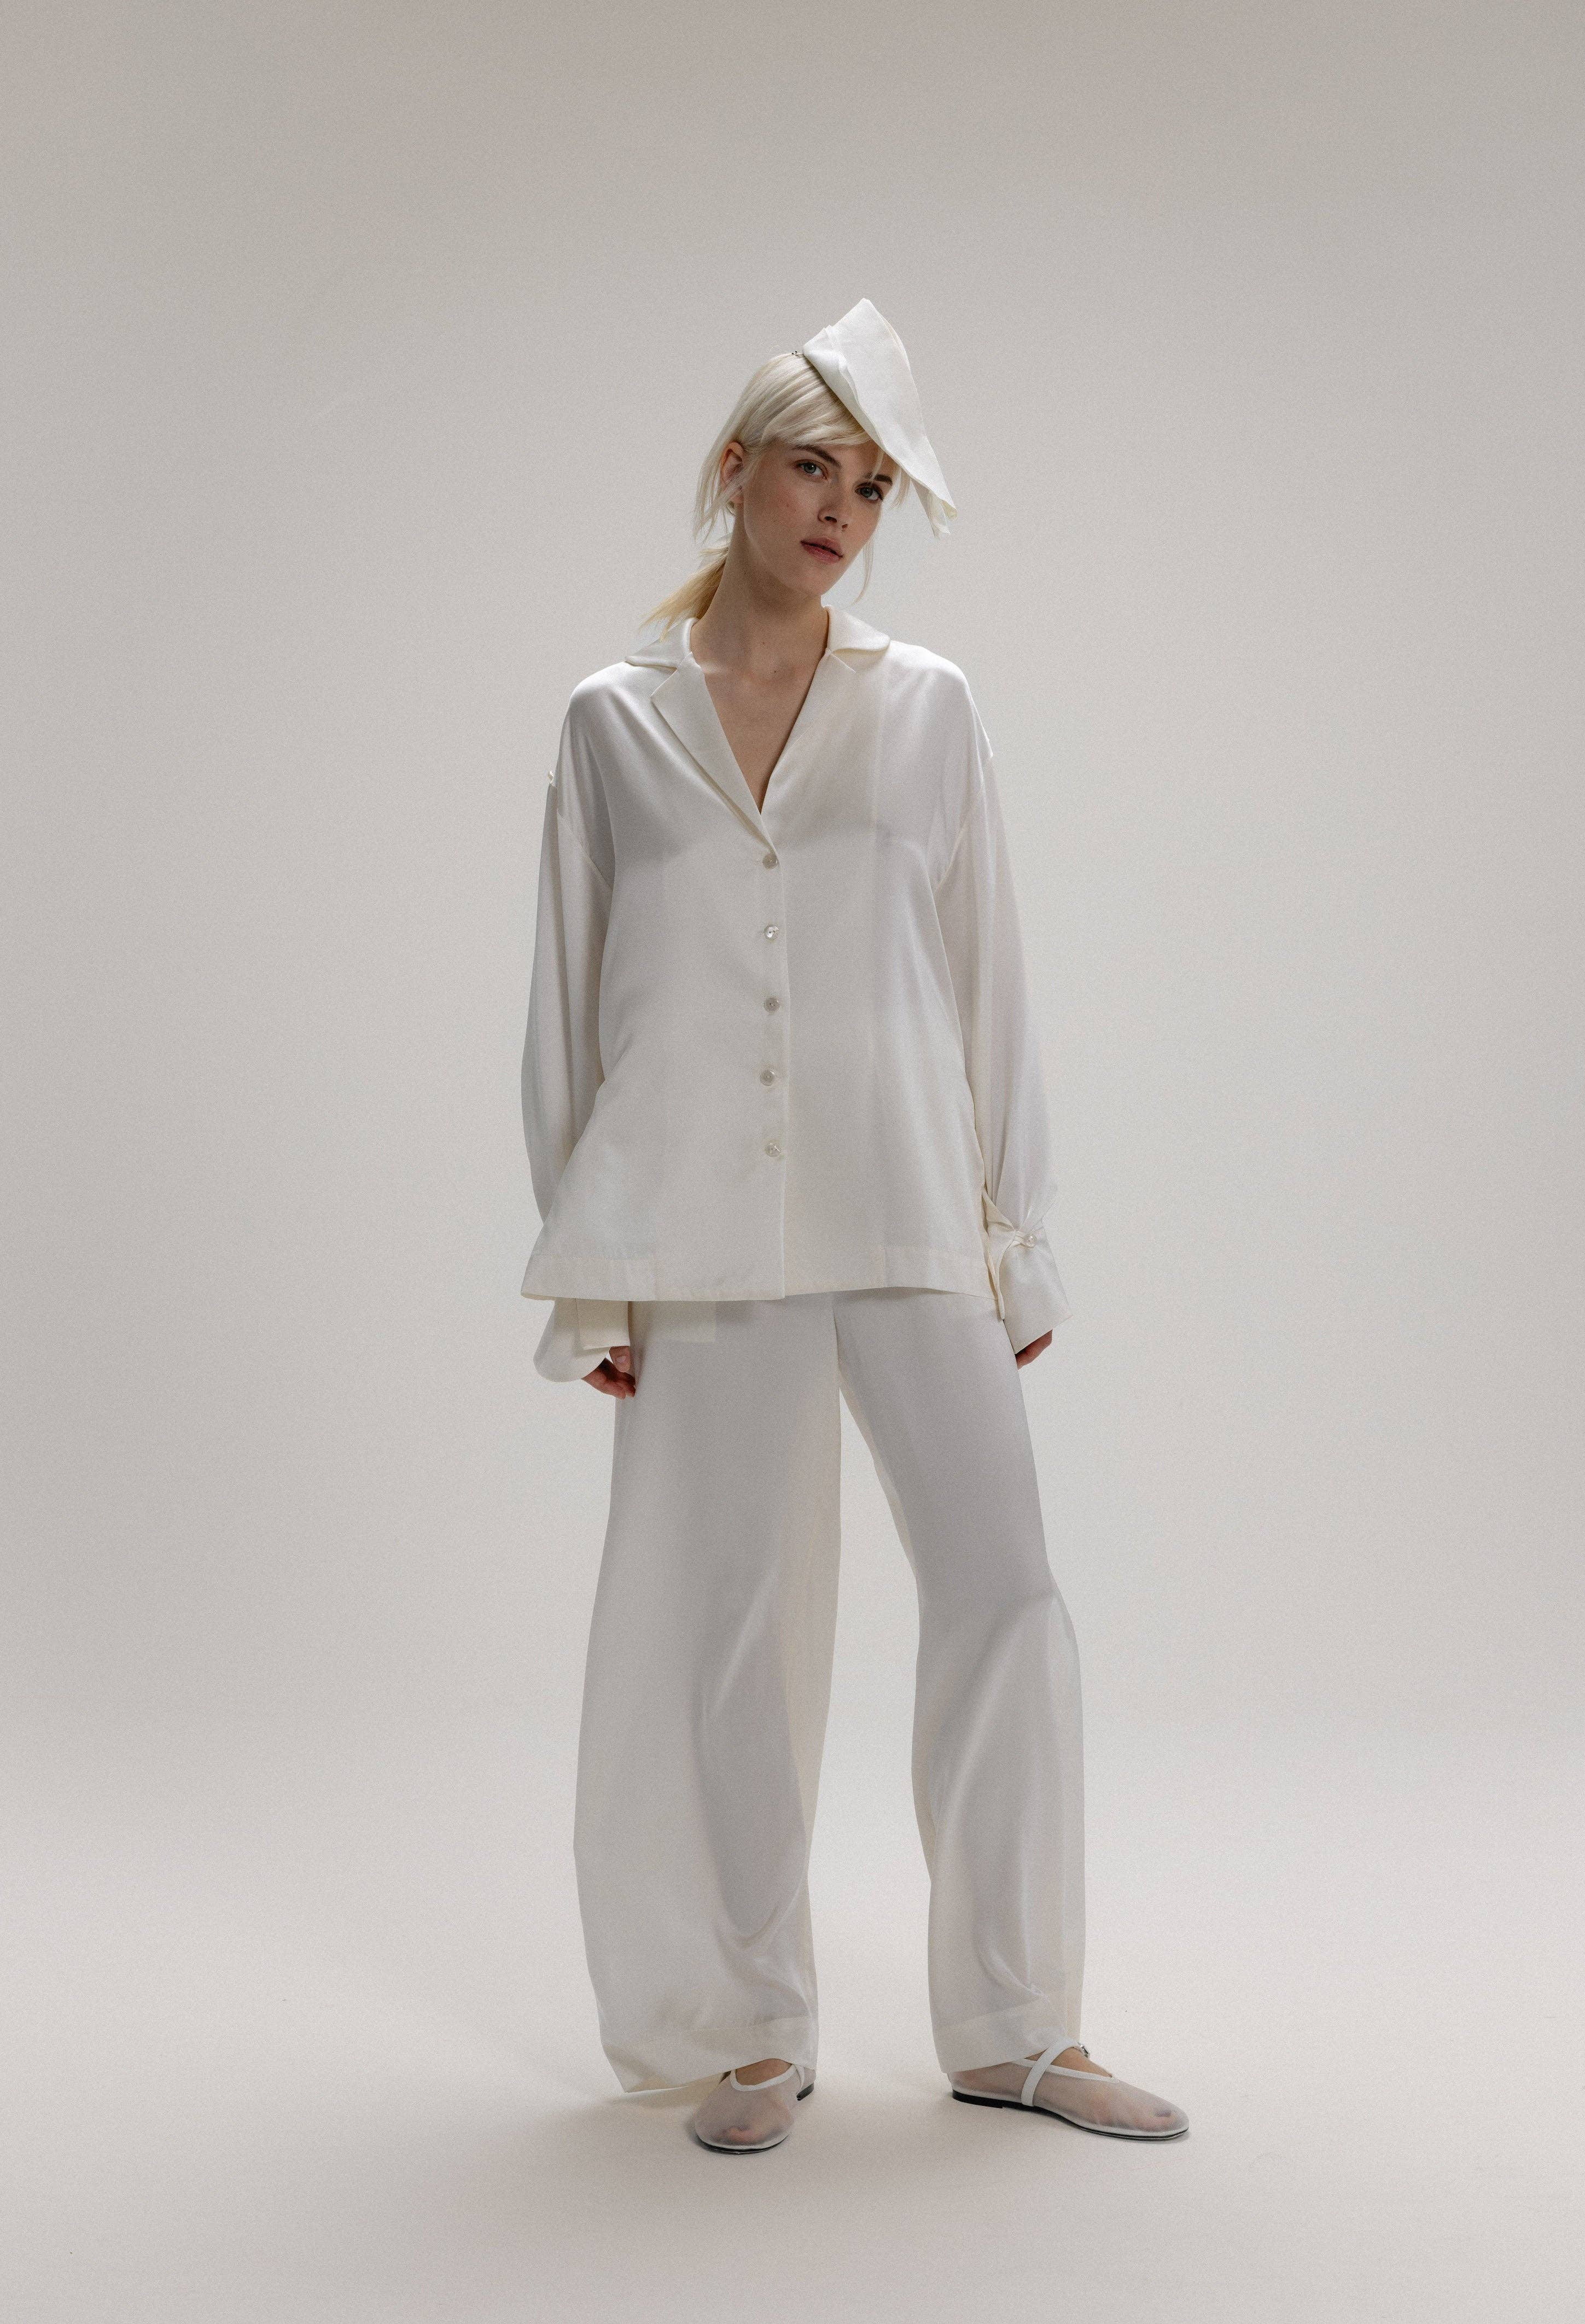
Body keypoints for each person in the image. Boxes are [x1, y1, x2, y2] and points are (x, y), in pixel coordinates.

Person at [520, 299, 1187, 2154]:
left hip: (907, 1211)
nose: (840, 508)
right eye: (813, 468)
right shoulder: (612, 725)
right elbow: (572, 1012)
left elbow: (987, 980)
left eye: (873, 485)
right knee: (733, 1627)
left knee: (1004, 1592)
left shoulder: (927, 708)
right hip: (702, 1238)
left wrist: (1013, 1233)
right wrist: (595, 1273)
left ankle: (1017, 2023)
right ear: (735, 472)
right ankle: (752, 2029)